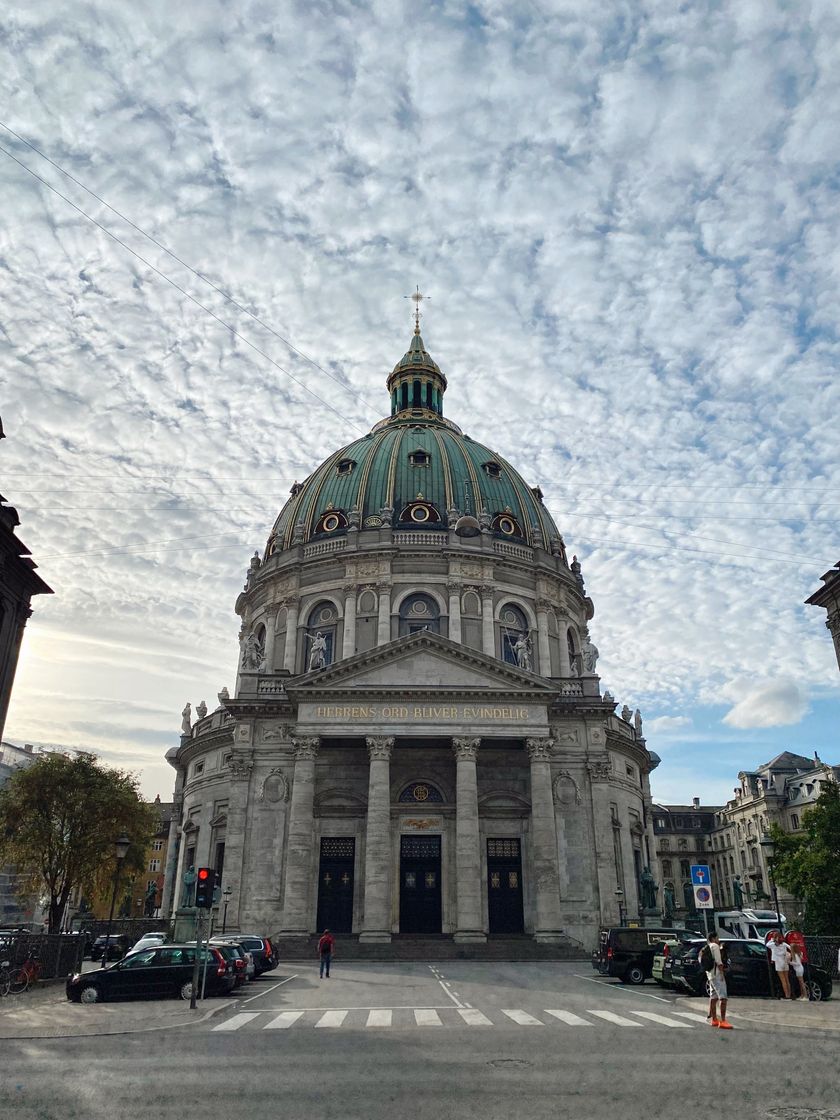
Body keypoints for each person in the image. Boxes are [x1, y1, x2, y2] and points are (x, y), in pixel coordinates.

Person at [703, 932, 732, 1029]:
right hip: (717, 974)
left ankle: (714, 1019)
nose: (718, 940)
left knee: (713, 997)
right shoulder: (715, 946)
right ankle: (723, 1021)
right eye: (717, 938)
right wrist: (722, 973)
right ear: (714, 938)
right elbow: (718, 961)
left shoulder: (707, 947)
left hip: (710, 975)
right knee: (723, 998)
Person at [768, 931, 792, 998]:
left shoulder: (773, 945)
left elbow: (767, 944)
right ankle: (789, 994)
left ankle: (786, 995)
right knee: (787, 979)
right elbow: (790, 948)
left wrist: (772, 939)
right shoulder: (784, 944)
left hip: (778, 962)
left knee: (783, 980)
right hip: (785, 961)